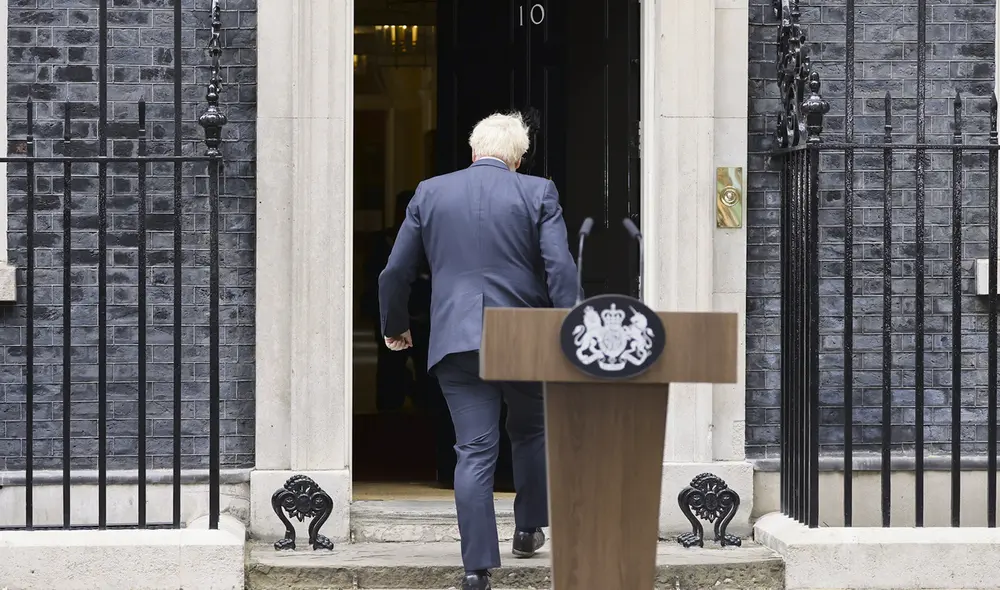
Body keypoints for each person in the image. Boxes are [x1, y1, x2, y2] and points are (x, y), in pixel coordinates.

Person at [378, 112, 578, 590]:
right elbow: (561, 269)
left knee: (473, 450)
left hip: (456, 337)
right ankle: (528, 528)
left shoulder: (430, 192)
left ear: (473, 151)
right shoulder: (537, 191)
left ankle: (476, 569)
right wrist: (569, 326)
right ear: (518, 157)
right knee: (531, 432)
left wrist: (396, 327)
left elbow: (394, 272)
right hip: (523, 335)